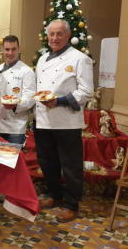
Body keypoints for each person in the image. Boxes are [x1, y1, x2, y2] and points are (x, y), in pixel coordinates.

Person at [34, 19, 94, 223]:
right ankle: (55, 195)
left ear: (68, 36)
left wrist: (59, 100)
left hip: (67, 121)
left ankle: (71, 204)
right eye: (51, 34)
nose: (55, 38)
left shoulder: (80, 59)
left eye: (59, 34)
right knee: (47, 162)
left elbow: (87, 91)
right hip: (43, 120)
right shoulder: (42, 60)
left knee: (70, 165)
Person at [0, 35, 35, 144]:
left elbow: (30, 97)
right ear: (2, 50)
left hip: (16, 125)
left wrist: (16, 105)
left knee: (13, 158)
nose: (10, 53)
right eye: (7, 49)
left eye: (14, 49)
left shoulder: (26, 71)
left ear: (18, 49)